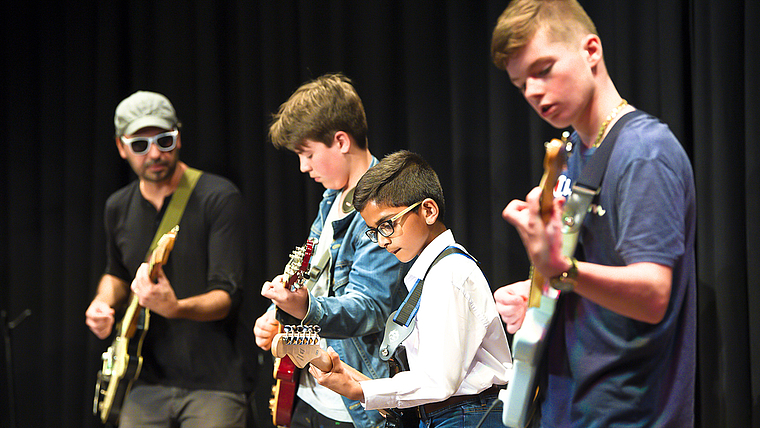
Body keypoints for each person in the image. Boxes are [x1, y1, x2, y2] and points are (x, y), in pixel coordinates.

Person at [490, 0, 696, 426]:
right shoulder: (570, 152)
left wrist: (561, 271)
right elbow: (593, 271)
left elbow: (654, 295)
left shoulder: (644, 154)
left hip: (632, 413)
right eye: (519, 83)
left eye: (542, 70)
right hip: (570, 407)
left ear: (591, 51)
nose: (531, 91)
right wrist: (535, 294)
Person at [309, 150, 512, 428]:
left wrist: (360, 391)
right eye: (373, 231)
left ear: (428, 210)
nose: (381, 241)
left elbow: (438, 382)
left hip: (467, 416)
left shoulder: (448, 274)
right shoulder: (429, 274)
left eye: (387, 225)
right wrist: (353, 378)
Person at [85, 90, 248, 427]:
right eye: (140, 145)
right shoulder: (117, 206)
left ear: (179, 136)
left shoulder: (218, 197)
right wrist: (102, 304)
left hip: (213, 382)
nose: (155, 153)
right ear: (121, 147)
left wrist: (177, 308)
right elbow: (116, 273)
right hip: (142, 381)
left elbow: (226, 296)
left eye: (164, 140)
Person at [252, 73, 404, 428]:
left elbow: (371, 308)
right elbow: (309, 276)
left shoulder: (384, 204)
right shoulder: (331, 200)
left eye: (308, 154)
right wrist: (278, 313)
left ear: (340, 141)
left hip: (354, 404)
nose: (304, 167)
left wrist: (303, 308)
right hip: (310, 393)